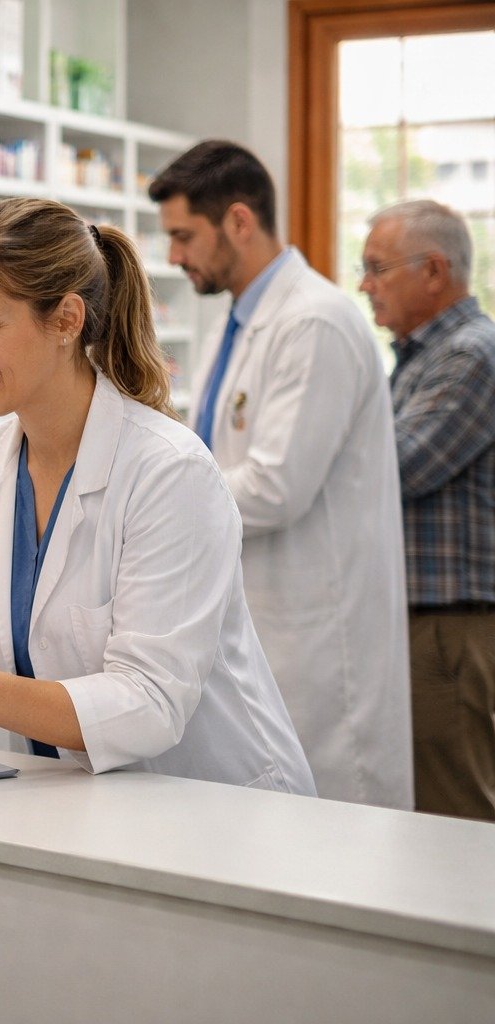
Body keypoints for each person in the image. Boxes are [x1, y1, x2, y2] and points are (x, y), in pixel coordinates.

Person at [0, 198, 313, 793]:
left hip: (214, 805)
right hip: (72, 800)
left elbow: (148, 703)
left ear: (66, 320)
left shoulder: (169, 472)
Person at [147, 140, 411, 808]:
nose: (174, 256)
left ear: (238, 220)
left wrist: (153, 506)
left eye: (183, 236)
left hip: (316, 634)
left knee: (341, 845)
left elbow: (273, 489)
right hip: (260, 621)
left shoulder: (314, 321)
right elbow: (204, 454)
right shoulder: (238, 322)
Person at [360, 199, 495, 821]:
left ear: (434, 271)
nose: (365, 286)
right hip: (422, 624)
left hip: (447, 628)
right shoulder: (418, 359)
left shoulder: (470, 355)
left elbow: (400, 466)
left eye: (377, 269)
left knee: (454, 815)